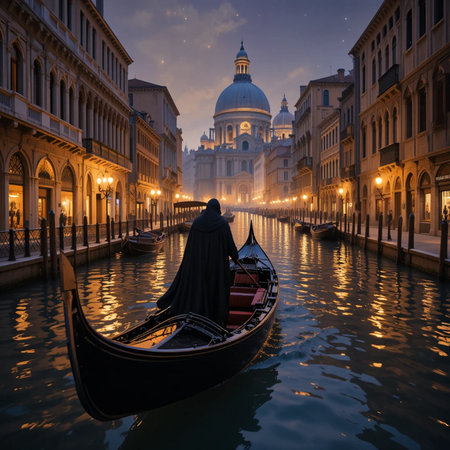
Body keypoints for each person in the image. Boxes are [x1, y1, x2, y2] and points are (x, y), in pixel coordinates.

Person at [157, 198, 239, 326]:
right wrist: (236, 258)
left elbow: (190, 247)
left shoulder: (197, 222)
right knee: (215, 291)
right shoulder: (223, 224)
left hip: (198, 267)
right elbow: (230, 247)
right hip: (216, 268)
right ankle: (215, 320)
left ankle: (196, 317)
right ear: (218, 209)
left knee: (199, 290)